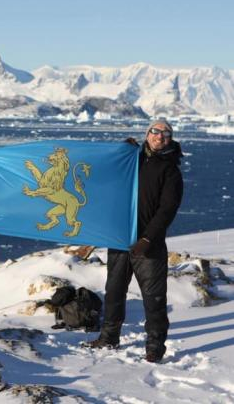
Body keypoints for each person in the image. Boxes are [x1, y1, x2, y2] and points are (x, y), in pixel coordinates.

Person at [85, 118, 183, 363]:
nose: (160, 136)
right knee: (114, 291)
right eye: (156, 131)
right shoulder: (132, 160)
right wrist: (122, 151)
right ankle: (109, 337)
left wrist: (148, 238)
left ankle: (155, 346)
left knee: (154, 297)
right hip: (120, 239)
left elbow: (167, 209)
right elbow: (104, 176)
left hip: (149, 245)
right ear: (147, 134)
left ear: (170, 139)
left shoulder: (170, 170)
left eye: (166, 134)